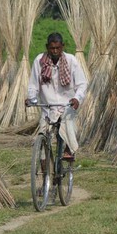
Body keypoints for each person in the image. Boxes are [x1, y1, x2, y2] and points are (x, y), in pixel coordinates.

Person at [25, 32, 88, 160]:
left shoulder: (71, 61)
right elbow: (33, 85)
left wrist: (77, 98)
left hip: (67, 105)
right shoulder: (39, 61)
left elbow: (82, 84)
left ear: (62, 47)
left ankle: (68, 149)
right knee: (42, 139)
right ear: (47, 47)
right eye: (52, 48)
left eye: (57, 48)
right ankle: (45, 173)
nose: (54, 51)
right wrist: (31, 98)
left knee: (68, 123)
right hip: (48, 107)